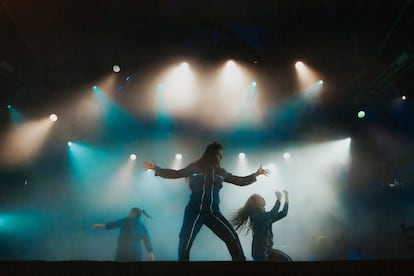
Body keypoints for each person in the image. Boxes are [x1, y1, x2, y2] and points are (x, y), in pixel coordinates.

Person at [143, 141, 270, 261]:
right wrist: (157, 169)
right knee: (185, 240)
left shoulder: (221, 172)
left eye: (221, 156)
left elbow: (239, 181)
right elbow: (176, 173)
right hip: (194, 211)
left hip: (213, 212)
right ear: (210, 154)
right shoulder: (195, 168)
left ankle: (241, 265)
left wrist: (255, 175)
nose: (220, 158)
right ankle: (182, 267)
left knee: (231, 237)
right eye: (218, 155)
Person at [230, 190, 291, 261]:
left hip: (268, 251)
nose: (263, 198)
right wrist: (278, 199)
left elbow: (283, 214)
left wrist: (286, 198)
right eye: (260, 198)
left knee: (286, 259)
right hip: (260, 253)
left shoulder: (266, 217)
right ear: (256, 203)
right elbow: (273, 213)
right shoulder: (256, 216)